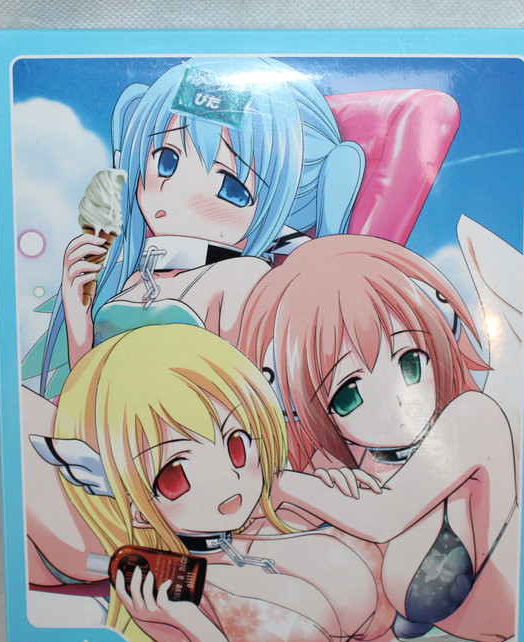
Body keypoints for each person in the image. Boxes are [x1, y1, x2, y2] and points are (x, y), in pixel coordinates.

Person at [32, 323, 390, 642]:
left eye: (236, 444)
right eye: (175, 475)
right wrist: (181, 626)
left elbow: (382, 527)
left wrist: (304, 489)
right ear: (135, 507)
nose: (227, 478)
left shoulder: (279, 508)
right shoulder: (173, 592)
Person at [239, 235, 519, 642]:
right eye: (348, 394)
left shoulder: (472, 420)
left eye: (410, 361)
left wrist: (285, 485)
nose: (394, 401)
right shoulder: (351, 457)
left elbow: (382, 516)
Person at [33, 57, 364, 398]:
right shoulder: (132, 276)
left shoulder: (242, 276)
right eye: (166, 160)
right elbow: (88, 393)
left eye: (231, 187)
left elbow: (246, 403)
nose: (181, 195)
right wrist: (78, 316)